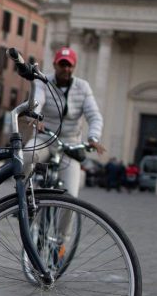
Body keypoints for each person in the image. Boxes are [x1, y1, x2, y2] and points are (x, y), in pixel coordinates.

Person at [32, 47, 106, 197]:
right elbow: (37, 100)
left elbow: (94, 116)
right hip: (45, 138)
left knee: (71, 197)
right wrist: (36, 116)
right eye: (62, 65)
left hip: (70, 144)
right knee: (27, 156)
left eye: (69, 65)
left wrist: (93, 138)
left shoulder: (83, 87)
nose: (66, 69)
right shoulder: (43, 82)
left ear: (74, 67)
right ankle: (24, 195)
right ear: (54, 65)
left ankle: (65, 218)